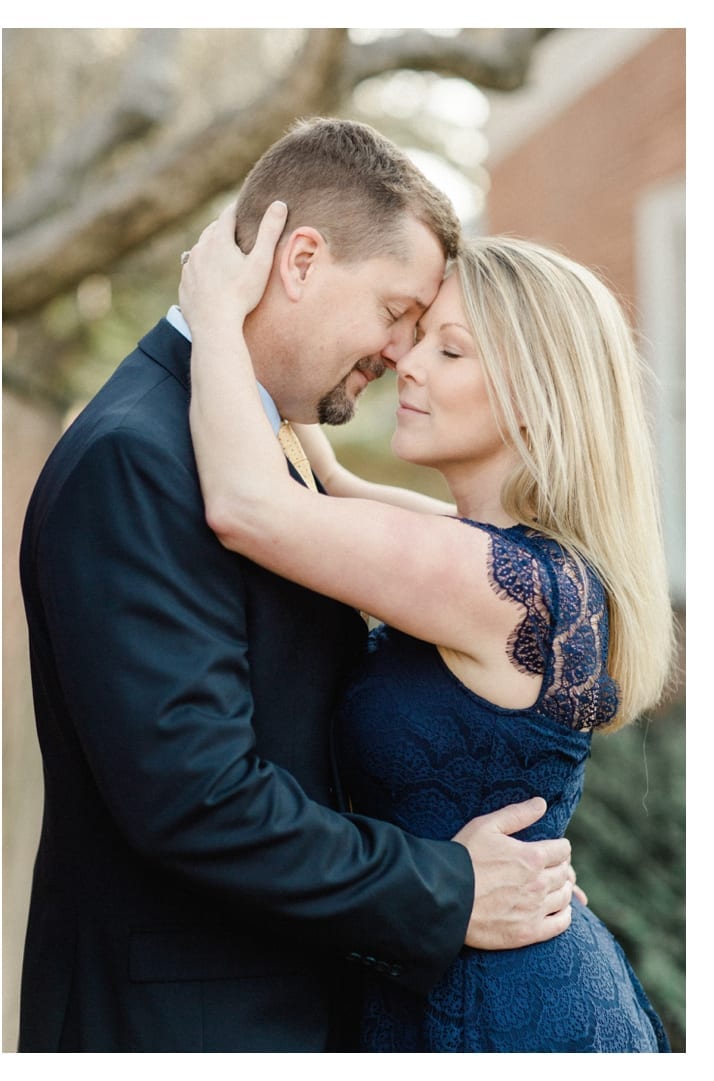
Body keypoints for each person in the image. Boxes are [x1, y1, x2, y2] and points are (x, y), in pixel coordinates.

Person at [16, 118, 578, 1052]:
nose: (401, 354)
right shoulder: (139, 457)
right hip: (183, 1019)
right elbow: (199, 799)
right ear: (303, 260)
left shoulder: (240, 436)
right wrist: (452, 885)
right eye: (399, 312)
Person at [180, 198, 673, 1051]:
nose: (406, 360)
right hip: (464, 968)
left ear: (533, 400)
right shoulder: (498, 555)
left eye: (449, 349)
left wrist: (214, 312)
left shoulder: (493, 582)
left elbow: (247, 505)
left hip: (502, 1013)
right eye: (415, 335)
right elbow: (326, 481)